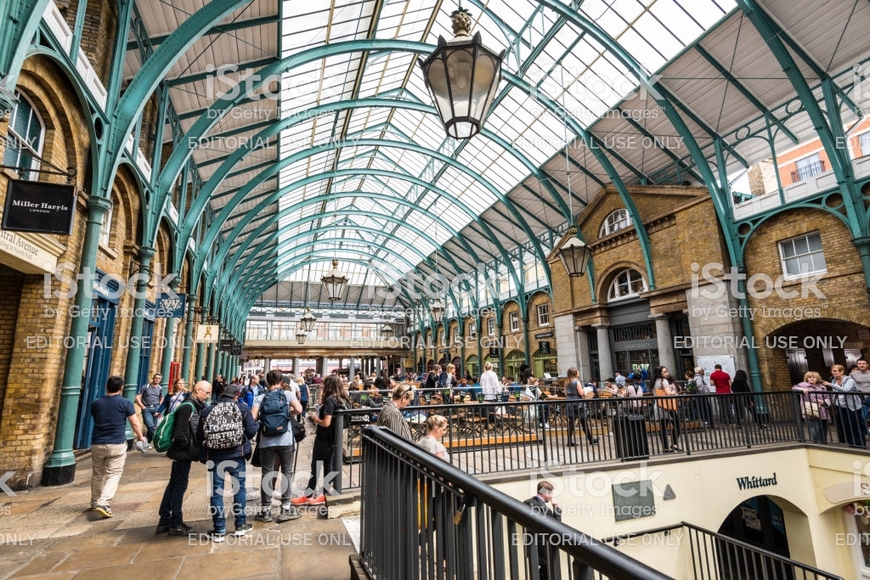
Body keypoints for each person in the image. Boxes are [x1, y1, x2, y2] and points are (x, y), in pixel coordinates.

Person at [197, 383, 258, 542]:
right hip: (236, 454)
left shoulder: (207, 411)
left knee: (216, 492)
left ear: (221, 395)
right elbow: (251, 431)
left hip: (214, 456)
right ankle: (240, 525)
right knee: (239, 490)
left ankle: (219, 530)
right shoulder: (242, 409)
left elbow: (199, 436)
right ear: (236, 396)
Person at [156, 380, 211, 536]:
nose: (207, 396)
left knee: (173, 485)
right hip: (182, 454)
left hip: (182, 453)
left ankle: (164, 520)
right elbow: (179, 433)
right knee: (179, 487)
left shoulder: (193, 405)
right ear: (197, 390)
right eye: (206, 393)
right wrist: (190, 448)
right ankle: (175, 523)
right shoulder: (188, 407)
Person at [89, 376, 148, 518]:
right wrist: (140, 437)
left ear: (106, 387)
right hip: (116, 443)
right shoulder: (125, 403)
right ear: (121, 388)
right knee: (114, 473)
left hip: (97, 443)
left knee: (98, 473)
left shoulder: (96, 403)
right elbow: (134, 423)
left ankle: (95, 502)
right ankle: (103, 502)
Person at [252, 370, 303, 523]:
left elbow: (253, 417)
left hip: (266, 441)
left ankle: (265, 511)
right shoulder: (287, 395)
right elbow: (299, 409)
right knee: (287, 472)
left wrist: (264, 417)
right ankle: (285, 509)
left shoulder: (260, 397)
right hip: (285, 440)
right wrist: (288, 415)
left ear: (267, 382)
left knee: (267, 474)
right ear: (281, 381)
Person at [293, 375, 345, 506]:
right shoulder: (339, 398)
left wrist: (315, 418)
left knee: (315, 466)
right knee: (328, 466)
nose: (322, 386)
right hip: (333, 439)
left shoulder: (329, 400)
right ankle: (326, 494)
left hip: (323, 438)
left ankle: (308, 495)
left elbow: (326, 422)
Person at [523, 480, 562, 580]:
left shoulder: (527, 502)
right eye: (551, 494)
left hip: (532, 545)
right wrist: (556, 507)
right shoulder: (545, 510)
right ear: (545, 493)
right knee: (547, 573)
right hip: (544, 549)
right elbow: (556, 527)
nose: (551, 496)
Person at [824, 364, 864, 448]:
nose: (833, 372)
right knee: (846, 426)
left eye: (835, 371)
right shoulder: (834, 380)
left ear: (842, 371)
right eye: (832, 371)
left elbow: (846, 390)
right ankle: (851, 444)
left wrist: (830, 385)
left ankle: (860, 444)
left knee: (855, 425)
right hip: (841, 406)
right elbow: (834, 393)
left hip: (852, 406)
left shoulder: (850, 380)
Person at [792, 371, 831, 443]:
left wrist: (824, 401)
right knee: (815, 428)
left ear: (817, 378)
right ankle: (817, 443)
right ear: (807, 378)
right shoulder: (803, 385)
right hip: (811, 410)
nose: (811, 379)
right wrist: (802, 389)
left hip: (822, 409)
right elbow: (794, 388)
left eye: (814, 377)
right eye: (809, 377)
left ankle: (823, 443)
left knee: (823, 427)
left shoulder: (822, 387)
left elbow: (828, 397)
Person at [565, 367, 597, 447]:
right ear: (574, 373)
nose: (579, 373)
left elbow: (565, 394)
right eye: (577, 372)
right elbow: (580, 393)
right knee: (583, 422)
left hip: (569, 402)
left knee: (571, 423)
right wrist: (584, 392)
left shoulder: (566, 382)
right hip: (578, 403)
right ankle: (590, 439)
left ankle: (569, 441)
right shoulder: (577, 381)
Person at [652, 366, 681, 452]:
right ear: (660, 373)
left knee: (663, 427)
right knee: (677, 425)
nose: (666, 373)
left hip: (658, 405)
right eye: (664, 372)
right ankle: (674, 443)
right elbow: (668, 393)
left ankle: (665, 447)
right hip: (667, 406)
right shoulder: (663, 381)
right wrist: (675, 393)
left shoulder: (654, 381)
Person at [135, 372, 163, 445]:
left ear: (161, 380)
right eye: (156, 378)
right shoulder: (145, 387)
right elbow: (138, 397)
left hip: (156, 408)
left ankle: (147, 443)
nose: (157, 379)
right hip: (147, 408)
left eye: (159, 378)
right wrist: (143, 407)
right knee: (150, 425)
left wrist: (159, 408)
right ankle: (158, 440)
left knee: (152, 427)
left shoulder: (160, 388)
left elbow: (161, 398)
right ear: (153, 378)